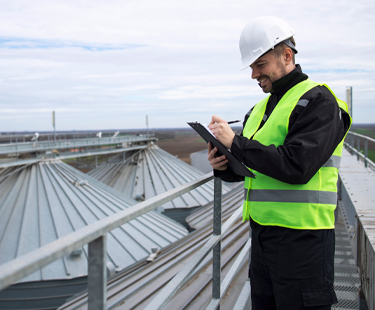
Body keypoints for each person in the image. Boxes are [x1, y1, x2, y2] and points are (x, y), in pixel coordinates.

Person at [207, 16, 351, 310]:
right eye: (251, 67)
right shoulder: (259, 109)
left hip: (303, 241)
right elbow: (251, 170)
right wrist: (223, 165)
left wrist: (236, 142)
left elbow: (298, 166)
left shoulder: (319, 101)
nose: (253, 75)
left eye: (260, 65)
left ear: (286, 56)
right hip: (262, 237)